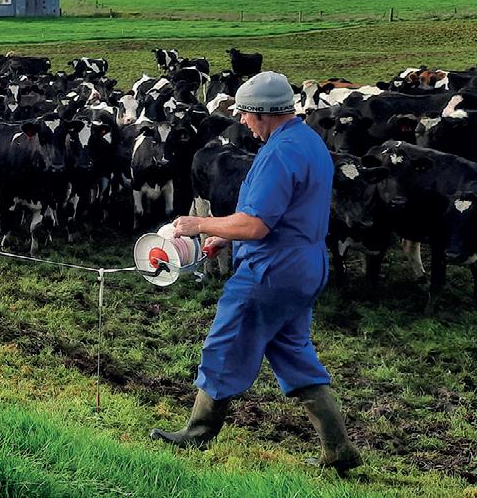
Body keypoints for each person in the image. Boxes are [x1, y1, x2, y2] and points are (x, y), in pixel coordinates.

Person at [149, 71, 363, 476]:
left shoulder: (279, 154)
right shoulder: (309, 142)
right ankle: (338, 447)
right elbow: (282, 213)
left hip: (270, 270)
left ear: (264, 113)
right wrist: (224, 237)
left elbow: (256, 224)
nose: (242, 121)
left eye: (246, 114)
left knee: (224, 344)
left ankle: (198, 432)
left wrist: (200, 225)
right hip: (306, 265)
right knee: (293, 352)